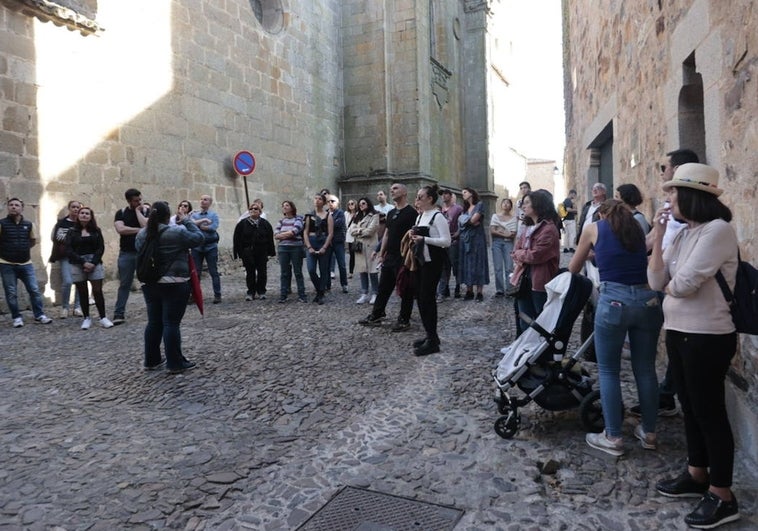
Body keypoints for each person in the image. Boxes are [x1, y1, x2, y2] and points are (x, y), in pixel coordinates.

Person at [648, 163, 741, 529]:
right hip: (679, 330)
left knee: (710, 412)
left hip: (708, 335)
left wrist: (669, 286)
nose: (668, 199)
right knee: (689, 406)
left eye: (673, 193)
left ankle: (723, 494)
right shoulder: (686, 233)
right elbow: (656, 276)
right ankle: (696, 472)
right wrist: (657, 234)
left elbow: (682, 284)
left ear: (690, 195)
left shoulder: (718, 231)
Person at [568, 199, 663, 457]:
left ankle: (613, 436)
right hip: (647, 300)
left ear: (601, 213)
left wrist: (590, 254)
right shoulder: (635, 229)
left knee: (609, 370)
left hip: (614, 301)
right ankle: (650, 432)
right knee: (645, 369)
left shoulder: (594, 229)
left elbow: (574, 268)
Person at [633, 148, 701, 417]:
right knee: (670, 341)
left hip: (678, 286)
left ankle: (668, 395)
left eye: (665, 167)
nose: (662, 172)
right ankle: (666, 394)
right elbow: (650, 240)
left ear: (678, 169)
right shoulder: (667, 207)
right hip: (662, 282)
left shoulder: (694, 211)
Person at [136, 201, 204, 373]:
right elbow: (198, 238)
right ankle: (174, 363)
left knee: (153, 322)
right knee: (171, 323)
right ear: (168, 216)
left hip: (150, 283)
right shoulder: (176, 232)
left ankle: (151, 360)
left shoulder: (142, 234)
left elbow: (139, 251)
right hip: (174, 282)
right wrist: (187, 220)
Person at [358, 183, 417, 331]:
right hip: (390, 256)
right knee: (384, 286)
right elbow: (387, 234)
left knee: (405, 289)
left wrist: (410, 257)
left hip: (404, 257)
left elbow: (414, 236)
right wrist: (381, 252)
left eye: (395, 189)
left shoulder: (412, 213)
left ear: (404, 192)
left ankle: (404, 319)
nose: (392, 190)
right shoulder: (391, 213)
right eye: (391, 189)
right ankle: (377, 314)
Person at [409, 185, 451, 356]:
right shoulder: (421, 216)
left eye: (420, 197)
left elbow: (446, 241)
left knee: (427, 298)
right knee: (420, 297)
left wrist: (424, 238)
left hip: (433, 262)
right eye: (417, 196)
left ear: (430, 199)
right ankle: (429, 335)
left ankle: (433, 340)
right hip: (420, 261)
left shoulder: (438, 216)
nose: (417, 199)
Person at [511, 190, 560, 333]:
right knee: (524, 318)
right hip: (523, 279)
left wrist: (520, 254)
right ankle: (523, 348)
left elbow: (536, 256)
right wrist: (521, 254)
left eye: (527, 203)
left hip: (540, 281)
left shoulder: (548, 229)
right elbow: (515, 251)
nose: (523, 207)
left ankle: (540, 352)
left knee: (541, 319)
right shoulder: (527, 227)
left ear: (537, 205)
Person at [0, 198, 53, 327]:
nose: (13, 207)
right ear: (8, 208)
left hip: (26, 263)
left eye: (16, 205)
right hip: (6, 263)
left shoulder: (29, 224)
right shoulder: (2, 224)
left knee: (34, 290)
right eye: (11, 205)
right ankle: (16, 317)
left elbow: (33, 240)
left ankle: (39, 315)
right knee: (11, 292)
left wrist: (21, 249)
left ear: (21, 208)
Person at [65, 206, 113, 330]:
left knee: (97, 291)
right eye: (82, 213)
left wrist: (93, 262)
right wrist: (83, 263)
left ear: (91, 216)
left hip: (94, 263)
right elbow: (69, 249)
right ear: (78, 216)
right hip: (77, 263)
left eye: (87, 213)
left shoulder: (96, 231)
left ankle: (103, 317)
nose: (84, 215)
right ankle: (86, 318)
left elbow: (100, 248)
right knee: (82, 292)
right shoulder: (71, 232)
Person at [112, 188, 149, 325]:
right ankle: (119, 313)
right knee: (124, 284)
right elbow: (121, 229)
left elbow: (147, 225)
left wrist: (139, 212)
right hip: (126, 253)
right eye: (136, 201)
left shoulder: (146, 211)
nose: (139, 202)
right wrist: (139, 230)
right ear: (128, 201)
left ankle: (153, 311)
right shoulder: (121, 213)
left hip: (143, 253)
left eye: (140, 199)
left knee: (147, 282)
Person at [232, 202, 275, 301]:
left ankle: (261, 291)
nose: (253, 210)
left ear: (260, 212)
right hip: (248, 252)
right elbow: (237, 239)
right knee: (250, 272)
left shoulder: (265, 224)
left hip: (261, 251)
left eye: (255, 209)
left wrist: (270, 252)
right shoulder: (242, 224)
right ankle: (251, 291)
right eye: (251, 209)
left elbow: (269, 238)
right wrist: (238, 252)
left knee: (262, 272)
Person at [49, 200, 82, 318]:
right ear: (69, 208)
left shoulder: (83, 223)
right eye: (73, 207)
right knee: (67, 281)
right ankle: (65, 307)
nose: (76, 209)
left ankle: (78, 307)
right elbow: (56, 237)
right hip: (66, 257)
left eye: (78, 207)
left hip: (80, 257)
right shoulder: (62, 223)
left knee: (80, 282)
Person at [458, 187, 489, 301]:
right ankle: (469, 290)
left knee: (478, 263)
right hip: (466, 239)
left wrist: (465, 220)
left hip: (478, 239)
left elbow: (472, 220)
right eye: (462, 193)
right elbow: (463, 222)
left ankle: (479, 292)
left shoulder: (479, 205)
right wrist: (467, 221)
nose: (463, 195)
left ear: (471, 193)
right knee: (467, 264)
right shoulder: (465, 209)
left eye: (465, 192)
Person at [190, 194, 222, 304]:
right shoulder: (194, 215)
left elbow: (214, 227)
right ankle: (195, 296)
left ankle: (217, 294)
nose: (203, 201)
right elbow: (191, 226)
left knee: (213, 271)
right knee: (196, 272)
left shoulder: (213, 215)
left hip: (210, 247)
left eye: (205, 199)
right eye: (201, 199)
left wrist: (202, 227)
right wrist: (202, 225)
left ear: (210, 202)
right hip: (197, 247)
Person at [303, 193, 334, 304]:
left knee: (324, 269)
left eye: (320, 199)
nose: (317, 200)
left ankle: (320, 293)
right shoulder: (309, 215)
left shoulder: (328, 215)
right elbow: (305, 232)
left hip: (323, 241)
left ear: (324, 202)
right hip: (312, 241)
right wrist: (309, 246)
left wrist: (325, 247)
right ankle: (319, 289)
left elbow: (330, 233)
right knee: (311, 270)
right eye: (315, 198)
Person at [274, 201, 307, 303]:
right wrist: (287, 234)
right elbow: (276, 235)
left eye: (287, 205)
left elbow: (295, 231)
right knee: (284, 272)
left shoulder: (298, 219)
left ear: (292, 207)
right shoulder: (281, 221)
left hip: (296, 248)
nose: (285, 207)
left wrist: (283, 234)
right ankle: (283, 295)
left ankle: (302, 295)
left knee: (297, 272)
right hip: (283, 248)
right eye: (283, 206)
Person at [349, 197, 380, 304]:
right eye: (360, 203)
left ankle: (375, 293)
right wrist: (361, 230)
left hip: (370, 246)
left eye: (363, 203)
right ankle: (364, 293)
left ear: (368, 204)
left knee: (373, 271)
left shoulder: (375, 215)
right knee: (362, 271)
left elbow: (370, 231)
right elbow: (350, 231)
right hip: (360, 248)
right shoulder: (357, 216)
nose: (361, 205)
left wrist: (358, 231)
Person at [437, 189, 463, 301]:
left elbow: (461, 224)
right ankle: (444, 289)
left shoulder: (458, 209)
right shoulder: (440, 209)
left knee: (455, 265)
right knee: (444, 267)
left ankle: (458, 286)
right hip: (442, 241)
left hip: (453, 241)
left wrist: (456, 234)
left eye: (446, 194)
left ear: (451, 196)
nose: (443, 196)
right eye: (442, 194)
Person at [490, 198, 518, 297]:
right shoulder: (495, 216)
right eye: (504, 203)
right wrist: (505, 234)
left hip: (508, 244)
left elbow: (513, 233)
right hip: (497, 243)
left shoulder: (514, 218)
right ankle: (500, 289)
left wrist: (500, 231)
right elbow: (492, 230)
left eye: (508, 203)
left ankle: (509, 288)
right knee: (498, 267)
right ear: (501, 205)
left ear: (511, 206)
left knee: (509, 267)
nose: (506, 204)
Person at [326, 195, 348, 293]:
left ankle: (344, 284)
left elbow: (338, 224)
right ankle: (327, 284)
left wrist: (327, 224)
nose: (330, 203)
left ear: (337, 203)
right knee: (326, 264)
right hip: (328, 242)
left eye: (333, 201)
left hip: (338, 241)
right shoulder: (325, 213)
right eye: (328, 201)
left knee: (341, 264)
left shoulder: (340, 213)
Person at [344, 199, 358, 278]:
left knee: (359, 253)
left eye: (352, 203)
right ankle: (351, 272)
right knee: (352, 254)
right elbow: (346, 224)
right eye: (349, 204)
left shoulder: (358, 213)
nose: (350, 205)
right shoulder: (346, 213)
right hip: (350, 236)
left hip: (357, 235)